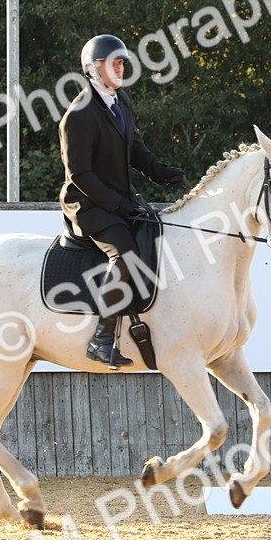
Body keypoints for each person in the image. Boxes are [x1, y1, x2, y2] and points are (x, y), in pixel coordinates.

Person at [59, 34, 186, 367]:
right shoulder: (79, 114)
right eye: (114, 63)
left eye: (122, 63)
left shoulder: (121, 101)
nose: (121, 68)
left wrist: (160, 172)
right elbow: (80, 175)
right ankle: (101, 340)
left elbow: (135, 148)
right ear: (93, 68)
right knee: (127, 255)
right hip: (87, 205)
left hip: (119, 198)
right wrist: (119, 205)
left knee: (159, 234)